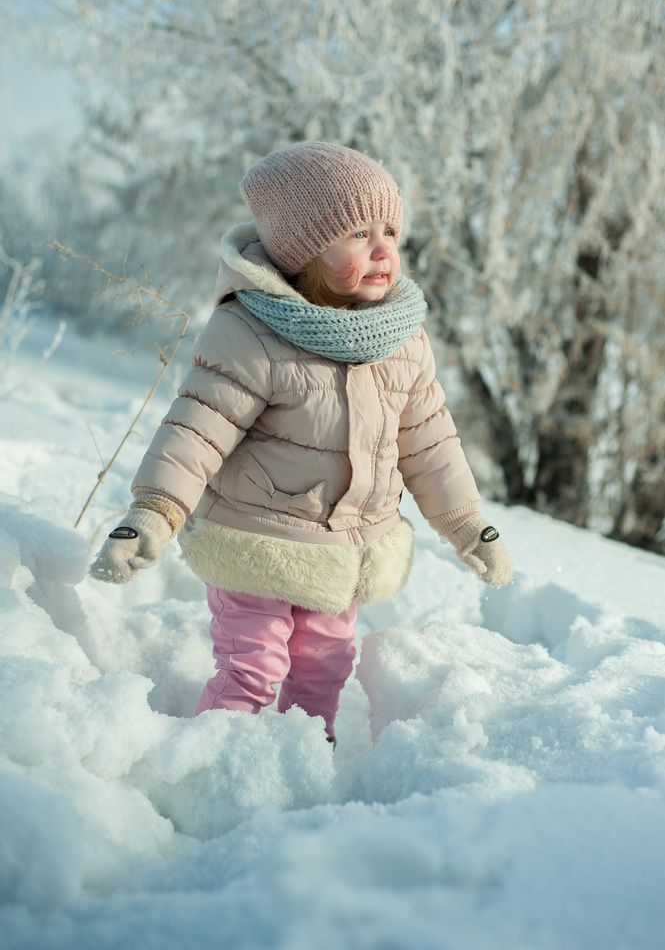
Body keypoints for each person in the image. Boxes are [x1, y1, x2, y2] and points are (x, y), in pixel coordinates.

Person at [90, 141, 513, 745]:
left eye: (390, 230)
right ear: (304, 251)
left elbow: (430, 442)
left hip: (341, 552)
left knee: (323, 671)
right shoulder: (251, 329)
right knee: (252, 670)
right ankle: (212, 765)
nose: (382, 249)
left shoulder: (400, 338)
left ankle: (307, 767)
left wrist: (467, 524)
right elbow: (197, 427)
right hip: (254, 542)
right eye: (357, 233)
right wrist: (155, 513)